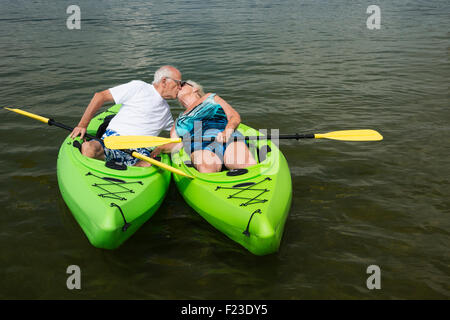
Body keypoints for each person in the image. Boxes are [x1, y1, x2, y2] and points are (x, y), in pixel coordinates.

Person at [69, 65, 183, 167]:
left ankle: (126, 174)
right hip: (113, 140)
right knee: (88, 148)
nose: (180, 87)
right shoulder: (139, 87)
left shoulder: (166, 111)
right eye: (178, 82)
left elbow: (177, 137)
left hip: (139, 150)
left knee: (149, 164)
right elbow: (100, 96)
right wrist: (82, 125)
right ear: (164, 81)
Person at [152, 80, 257, 173]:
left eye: (182, 84)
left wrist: (228, 131)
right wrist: (160, 148)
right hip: (199, 144)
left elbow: (234, 116)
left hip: (227, 135)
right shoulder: (178, 122)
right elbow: (176, 144)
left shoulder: (210, 98)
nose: (178, 87)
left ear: (195, 89)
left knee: (239, 162)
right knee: (207, 166)